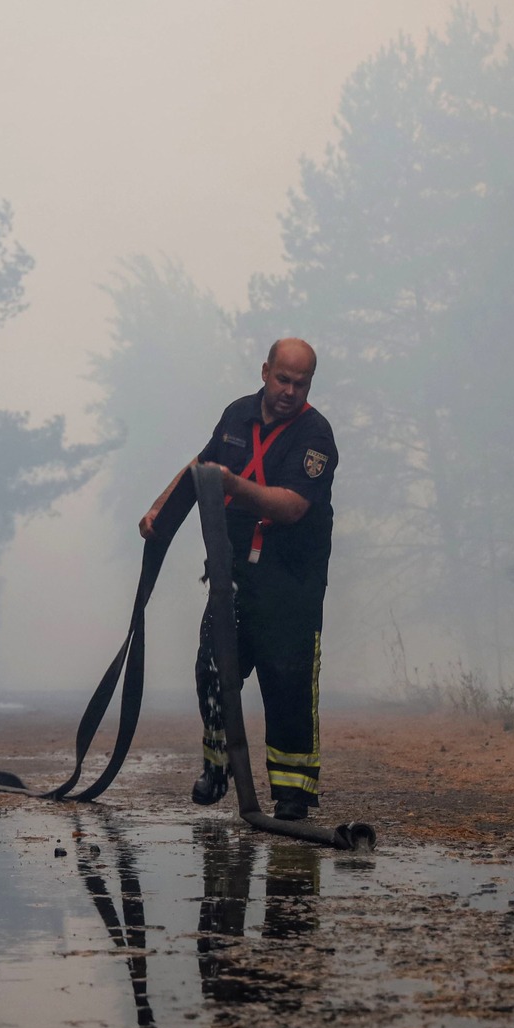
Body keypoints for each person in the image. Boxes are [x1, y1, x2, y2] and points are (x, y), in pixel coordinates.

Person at [138, 338, 338, 822]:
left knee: (287, 684)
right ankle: (217, 768)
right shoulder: (236, 415)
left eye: (301, 383)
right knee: (212, 671)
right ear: (265, 371)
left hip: (290, 586)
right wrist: (161, 513)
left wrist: (231, 485)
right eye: (282, 379)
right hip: (233, 579)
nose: (290, 391)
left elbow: (291, 506)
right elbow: (200, 470)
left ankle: (292, 794)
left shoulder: (316, 435)